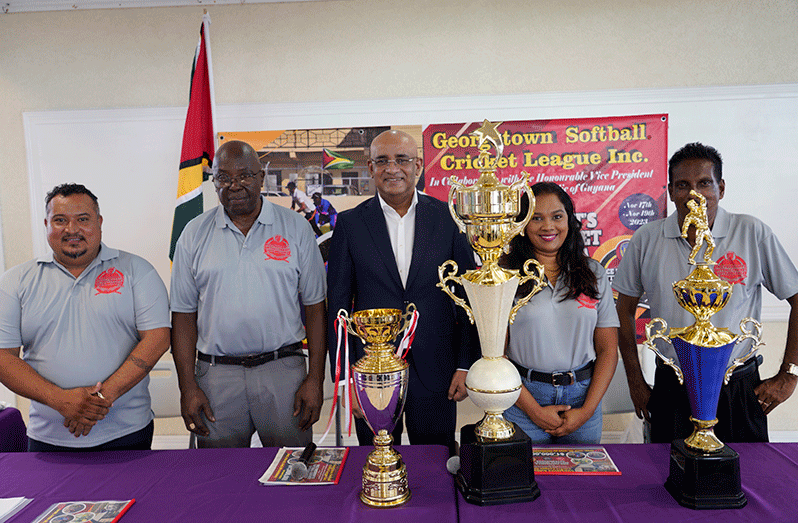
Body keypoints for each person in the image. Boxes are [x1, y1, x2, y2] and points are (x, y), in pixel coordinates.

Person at [613, 142, 798, 443]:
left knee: (745, 477)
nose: (693, 194)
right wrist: (635, 379)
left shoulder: (751, 232)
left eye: (704, 183)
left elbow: (796, 296)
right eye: (683, 185)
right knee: (671, 477)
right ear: (671, 191)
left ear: (721, 188)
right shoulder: (647, 239)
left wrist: (789, 375)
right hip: (673, 385)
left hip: (737, 386)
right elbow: (623, 309)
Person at [326, 129, 480, 453]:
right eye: (382, 161)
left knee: (436, 461)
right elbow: (338, 305)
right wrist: (345, 382)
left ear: (419, 166)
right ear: (370, 168)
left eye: (402, 160)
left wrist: (466, 364)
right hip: (372, 372)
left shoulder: (449, 220)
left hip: (436, 370)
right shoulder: (350, 224)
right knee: (377, 459)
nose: (392, 169)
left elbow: (468, 297)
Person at [171, 140, 327, 448]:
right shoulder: (193, 234)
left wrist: (315, 380)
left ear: (261, 176)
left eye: (244, 175)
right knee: (220, 476)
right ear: (213, 181)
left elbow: (316, 309)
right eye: (223, 178)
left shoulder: (296, 228)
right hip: (216, 377)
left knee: (291, 470)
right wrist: (187, 386)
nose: (235, 185)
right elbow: (183, 317)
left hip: (283, 371)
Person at [0, 184, 170, 451]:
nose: (71, 229)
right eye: (60, 220)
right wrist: (59, 400)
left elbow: (158, 338)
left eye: (83, 219)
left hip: (127, 433)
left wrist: (102, 398)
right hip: (47, 438)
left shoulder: (138, 271)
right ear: (46, 224)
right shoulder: (15, 282)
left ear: (99, 223)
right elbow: (3, 357)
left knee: (132, 494)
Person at [500, 182, 619, 444]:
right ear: (521, 225)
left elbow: (608, 350)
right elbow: (496, 356)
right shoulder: (505, 276)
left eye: (557, 216)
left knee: (581, 484)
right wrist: (533, 410)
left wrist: (586, 411)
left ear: (569, 220)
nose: (548, 226)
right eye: (536, 218)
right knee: (525, 481)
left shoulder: (594, 273)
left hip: (582, 399)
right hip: (523, 401)